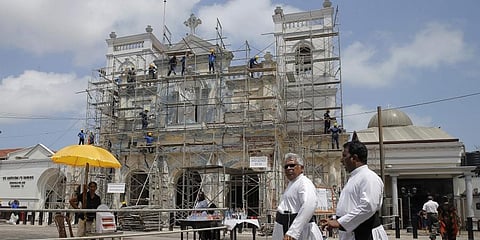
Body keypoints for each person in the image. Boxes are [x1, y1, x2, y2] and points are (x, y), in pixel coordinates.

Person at [327, 141, 388, 240]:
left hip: (365, 234)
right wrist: (335, 218)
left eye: (344, 156)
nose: (342, 160)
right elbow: (351, 205)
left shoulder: (369, 177)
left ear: (354, 158)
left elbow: (368, 206)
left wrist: (340, 222)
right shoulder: (353, 178)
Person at [272, 153, 323, 240]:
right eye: (286, 167)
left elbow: (309, 205)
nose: (289, 168)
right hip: (285, 225)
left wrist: (293, 232)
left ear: (301, 168)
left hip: (300, 231)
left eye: (292, 165)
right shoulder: (291, 184)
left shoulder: (304, 183)